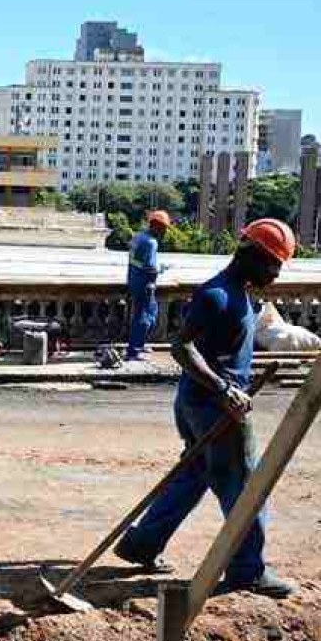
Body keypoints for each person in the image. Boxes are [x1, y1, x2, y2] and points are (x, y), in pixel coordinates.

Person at [114, 218, 299, 598]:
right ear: (250, 255)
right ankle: (248, 569)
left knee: (193, 475)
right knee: (246, 487)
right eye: (272, 264)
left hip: (200, 403)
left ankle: (141, 545)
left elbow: (226, 348)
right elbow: (182, 347)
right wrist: (224, 387)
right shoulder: (217, 295)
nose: (276, 275)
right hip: (216, 408)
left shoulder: (239, 294)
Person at [124, 210, 171, 362]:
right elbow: (150, 267)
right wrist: (162, 269)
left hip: (134, 281)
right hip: (145, 284)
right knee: (146, 317)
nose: (165, 231)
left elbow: (136, 260)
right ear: (157, 226)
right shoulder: (151, 242)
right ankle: (134, 351)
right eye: (164, 228)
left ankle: (139, 344)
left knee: (146, 313)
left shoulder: (138, 237)